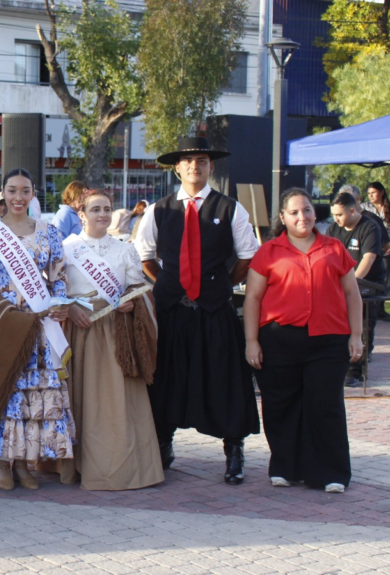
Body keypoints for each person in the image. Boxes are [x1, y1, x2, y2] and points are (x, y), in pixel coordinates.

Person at [134, 136, 260, 485]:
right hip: (172, 312)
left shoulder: (230, 208)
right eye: (187, 161)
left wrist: (219, 286)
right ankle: (163, 444)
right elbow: (144, 256)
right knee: (166, 379)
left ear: (210, 167)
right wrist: (170, 284)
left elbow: (248, 256)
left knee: (225, 379)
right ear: (177, 168)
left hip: (214, 311)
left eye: (201, 160)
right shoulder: (160, 210)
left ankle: (233, 450)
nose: (194, 166)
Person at [0, 168, 75, 490]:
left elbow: (59, 276)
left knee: (33, 399)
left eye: (25, 191)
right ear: (3, 194)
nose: (18, 197)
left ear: (33, 194)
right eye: (12, 191)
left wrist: (59, 302)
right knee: (5, 393)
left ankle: (24, 463)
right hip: (6, 326)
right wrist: (8, 310)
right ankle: (2, 463)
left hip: (39, 330)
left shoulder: (49, 233)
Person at [244, 188, 362, 493]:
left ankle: (332, 472)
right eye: (294, 212)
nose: (302, 217)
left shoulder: (334, 248)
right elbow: (253, 298)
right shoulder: (268, 251)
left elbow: (352, 294)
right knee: (281, 405)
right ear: (283, 217)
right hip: (278, 340)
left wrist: (357, 336)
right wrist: (252, 341)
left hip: (328, 340)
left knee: (325, 404)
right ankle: (285, 465)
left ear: (314, 213)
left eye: (307, 210)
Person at [60, 190, 164, 491]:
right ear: (82, 215)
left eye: (106, 209)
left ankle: (121, 465)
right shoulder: (67, 249)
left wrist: (133, 306)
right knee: (80, 398)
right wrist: (71, 308)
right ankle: (74, 464)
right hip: (80, 331)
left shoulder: (124, 250)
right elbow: (54, 292)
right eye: (95, 210)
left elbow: (139, 291)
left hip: (116, 334)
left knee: (117, 402)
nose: (102, 215)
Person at [326, 192, 385, 387]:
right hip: (340, 287)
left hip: (368, 285)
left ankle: (356, 371)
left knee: (363, 325)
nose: (336, 219)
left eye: (340, 215)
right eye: (334, 215)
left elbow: (367, 260)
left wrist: (351, 283)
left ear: (352, 210)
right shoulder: (334, 229)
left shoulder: (369, 227)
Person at [362, 181, 390, 318]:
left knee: (384, 280)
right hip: (370, 248)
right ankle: (367, 309)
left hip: (387, 249)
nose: (371, 196)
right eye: (369, 193)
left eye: (374, 193)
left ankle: (380, 310)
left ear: (382, 192)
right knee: (369, 279)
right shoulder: (365, 208)